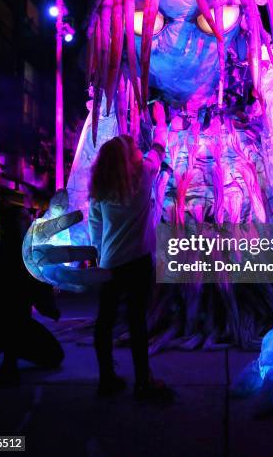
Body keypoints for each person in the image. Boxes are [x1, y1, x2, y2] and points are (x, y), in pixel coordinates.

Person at [89, 102, 172, 400]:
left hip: (110, 263)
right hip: (137, 262)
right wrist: (160, 119)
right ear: (129, 159)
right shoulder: (144, 176)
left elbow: (95, 230)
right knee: (137, 321)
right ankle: (142, 382)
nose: (138, 149)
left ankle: (106, 379)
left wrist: (99, 257)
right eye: (134, 147)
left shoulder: (100, 188)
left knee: (105, 320)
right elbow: (160, 147)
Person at [0, 205, 64, 384]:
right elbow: (39, 294)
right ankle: (8, 361)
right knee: (52, 354)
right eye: (25, 219)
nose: (30, 222)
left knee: (11, 318)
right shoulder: (25, 257)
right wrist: (51, 309)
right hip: (7, 320)